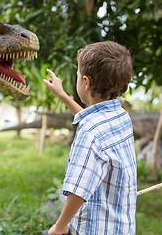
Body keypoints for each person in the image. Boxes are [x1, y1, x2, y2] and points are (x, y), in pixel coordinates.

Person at [42, 41, 137, 235]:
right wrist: (63, 96)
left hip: (96, 228)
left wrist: (59, 227)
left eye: (77, 76)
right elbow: (91, 119)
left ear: (86, 82)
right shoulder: (120, 116)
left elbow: (79, 189)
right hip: (121, 226)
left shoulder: (90, 133)